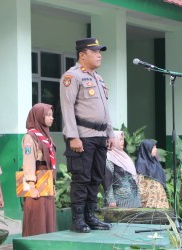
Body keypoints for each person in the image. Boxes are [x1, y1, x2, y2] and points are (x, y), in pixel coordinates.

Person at [60, 37, 115, 233]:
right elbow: (67, 108)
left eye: (100, 51)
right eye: (95, 52)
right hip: (83, 136)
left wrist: (110, 133)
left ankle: (90, 217)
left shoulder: (98, 78)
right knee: (81, 178)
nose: (99, 55)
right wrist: (73, 136)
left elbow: (105, 109)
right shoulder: (72, 76)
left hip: (100, 136)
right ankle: (78, 220)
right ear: (82, 55)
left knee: (96, 178)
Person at [21, 103, 57, 237]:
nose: (51, 118)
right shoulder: (31, 137)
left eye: (52, 115)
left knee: (48, 219)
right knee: (37, 221)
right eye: (47, 115)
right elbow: (29, 161)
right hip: (36, 184)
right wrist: (31, 186)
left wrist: (52, 184)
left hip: (46, 182)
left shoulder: (47, 137)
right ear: (38, 117)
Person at [104, 131, 141, 208]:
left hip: (133, 199)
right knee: (118, 220)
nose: (122, 141)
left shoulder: (124, 156)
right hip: (119, 201)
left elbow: (133, 178)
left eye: (123, 139)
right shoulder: (109, 157)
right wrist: (111, 200)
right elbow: (107, 180)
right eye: (120, 139)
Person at [135, 139, 169, 209]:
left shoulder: (155, 162)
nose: (156, 149)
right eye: (153, 147)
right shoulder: (141, 163)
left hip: (160, 197)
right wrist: (143, 198)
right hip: (149, 199)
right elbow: (140, 182)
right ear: (147, 148)